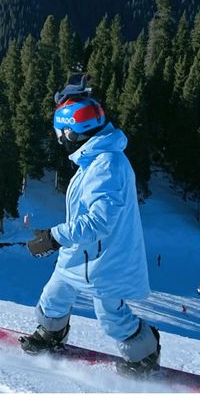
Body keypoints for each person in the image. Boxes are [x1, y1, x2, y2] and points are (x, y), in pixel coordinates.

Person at [21, 73, 160, 376]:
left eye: (61, 132)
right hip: (80, 254)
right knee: (54, 296)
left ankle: (145, 355)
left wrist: (54, 237)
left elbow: (100, 221)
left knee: (111, 316)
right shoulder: (94, 159)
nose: (59, 139)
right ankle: (51, 335)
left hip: (106, 259)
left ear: (72, 132)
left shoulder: (107, 166)